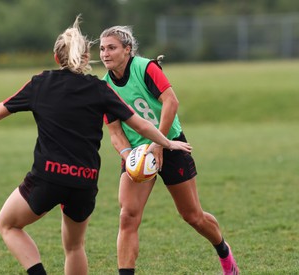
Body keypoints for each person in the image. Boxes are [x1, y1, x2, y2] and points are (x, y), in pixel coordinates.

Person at [0, 16, 192, 275]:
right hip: (84, 182)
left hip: (48, 177)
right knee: (75, 246)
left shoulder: (40, 83)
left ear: (57, 58)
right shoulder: (99, 89)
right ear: (87, 58)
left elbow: (1, 109)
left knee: (8, 224)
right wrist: (167, 143)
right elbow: (139, 125)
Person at [99, 26, 239, 275]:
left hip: (172, 144)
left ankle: (224, 252)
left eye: (112, 47)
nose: (105, 53)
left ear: (127, 50)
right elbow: (115, 132)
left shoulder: (145, 68)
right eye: (101, 48)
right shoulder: (105, 86)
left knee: (193, 216)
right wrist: (129, 157)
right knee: (127, 216)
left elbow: (171, 101)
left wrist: (159, 144)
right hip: (138, 152)